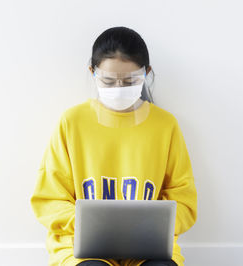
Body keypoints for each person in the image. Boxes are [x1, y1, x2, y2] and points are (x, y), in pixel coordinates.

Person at [30, 26, 197, 266]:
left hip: (147, 247)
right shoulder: (72, 122)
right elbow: (48, 199)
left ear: (146, 73)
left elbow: (184, 198)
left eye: (130, 81)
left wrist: (156, 226)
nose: (119, 89)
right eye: (108, 81)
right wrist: (87, 225)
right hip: (81, 247)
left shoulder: (165, 125)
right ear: (92, 72)